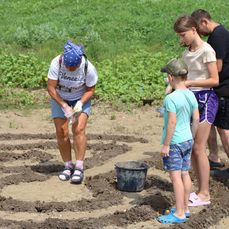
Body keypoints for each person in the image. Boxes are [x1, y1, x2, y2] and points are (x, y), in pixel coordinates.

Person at [174, 14, 219, 206]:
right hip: (191, 99)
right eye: (179, 36)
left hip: (206, 99)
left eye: (183, 35)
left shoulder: (207, 50)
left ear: (194, 30)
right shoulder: (186, 53)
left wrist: (190, 82)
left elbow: (214, 80)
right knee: (192, 148)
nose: (181, 39)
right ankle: (199, 191)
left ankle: (205, 194)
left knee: (200, 148)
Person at [47, 40, 98, 183]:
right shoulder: (56, 63)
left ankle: (79, 167)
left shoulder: (88, 68)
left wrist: (80, 104)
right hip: (60, 98)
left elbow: (90, 90)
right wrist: (64, 106)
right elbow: (51, 88)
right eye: (68, 67)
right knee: (61, 131)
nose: (70, 69)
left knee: (79, 129)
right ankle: (68, 166)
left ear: (80, 61)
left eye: (73, 67)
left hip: (80, 98)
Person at [158, 58, 199, 224]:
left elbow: (172, 123)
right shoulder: (191, 94)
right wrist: (192, 137)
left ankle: (179, 213)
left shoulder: (171, 98)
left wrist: (166, 144)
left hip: (174, 143)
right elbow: (196, 119)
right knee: (185, 173)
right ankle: (186, 208)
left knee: (175, 178)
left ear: (170, 77)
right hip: (188, 139)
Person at [191, 9, 229, 176]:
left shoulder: (218, 36)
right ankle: (214, 157)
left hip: (224, 89)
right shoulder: (215, 36)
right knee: (211, 123)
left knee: (223, 128)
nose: (199, 33)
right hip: (216, 89)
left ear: (204, 21)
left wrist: (197, 77)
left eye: (198, 29)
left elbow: (218, 68)